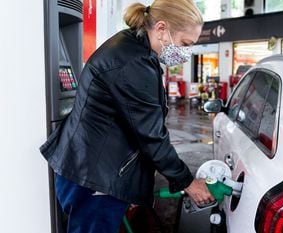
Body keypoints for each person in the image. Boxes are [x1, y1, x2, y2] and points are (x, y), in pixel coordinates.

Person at [39, 0, 214, 232]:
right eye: (185, 43)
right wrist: (188, 182)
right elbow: (152, 136)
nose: (185, 53)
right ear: (161, 29)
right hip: (94, 176)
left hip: (95, 167)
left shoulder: (135, 49)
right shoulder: (131, 62)